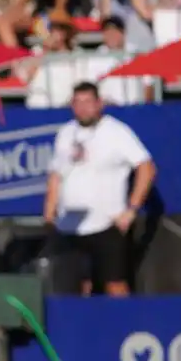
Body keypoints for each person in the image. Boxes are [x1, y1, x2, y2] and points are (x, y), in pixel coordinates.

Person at [42, 82, 155, 297]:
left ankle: (124, 328)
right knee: (76, 287)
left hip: (106, 224)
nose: (83, 107)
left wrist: (132, 209)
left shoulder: (116, 131)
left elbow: (146, 167)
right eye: (78, 102)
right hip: (70, 226)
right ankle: (81, 329)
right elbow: (56, 175)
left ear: (99, 103)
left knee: (115, 285)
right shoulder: (65, 133)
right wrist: (49, 214)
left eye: (88, 102)